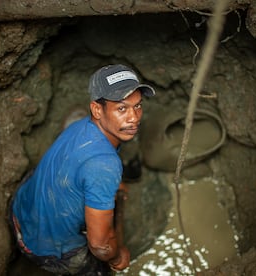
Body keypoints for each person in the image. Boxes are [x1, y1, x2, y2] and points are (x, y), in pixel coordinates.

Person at [10, 64, 156, 275]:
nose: (134, 117)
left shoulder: (79, 126)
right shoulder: (104, 165)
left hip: (20, 210)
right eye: (122, 108)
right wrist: (117, 255)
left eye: (138, 106)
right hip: (45, 249)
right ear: (97, 109)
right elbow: (99, 245)